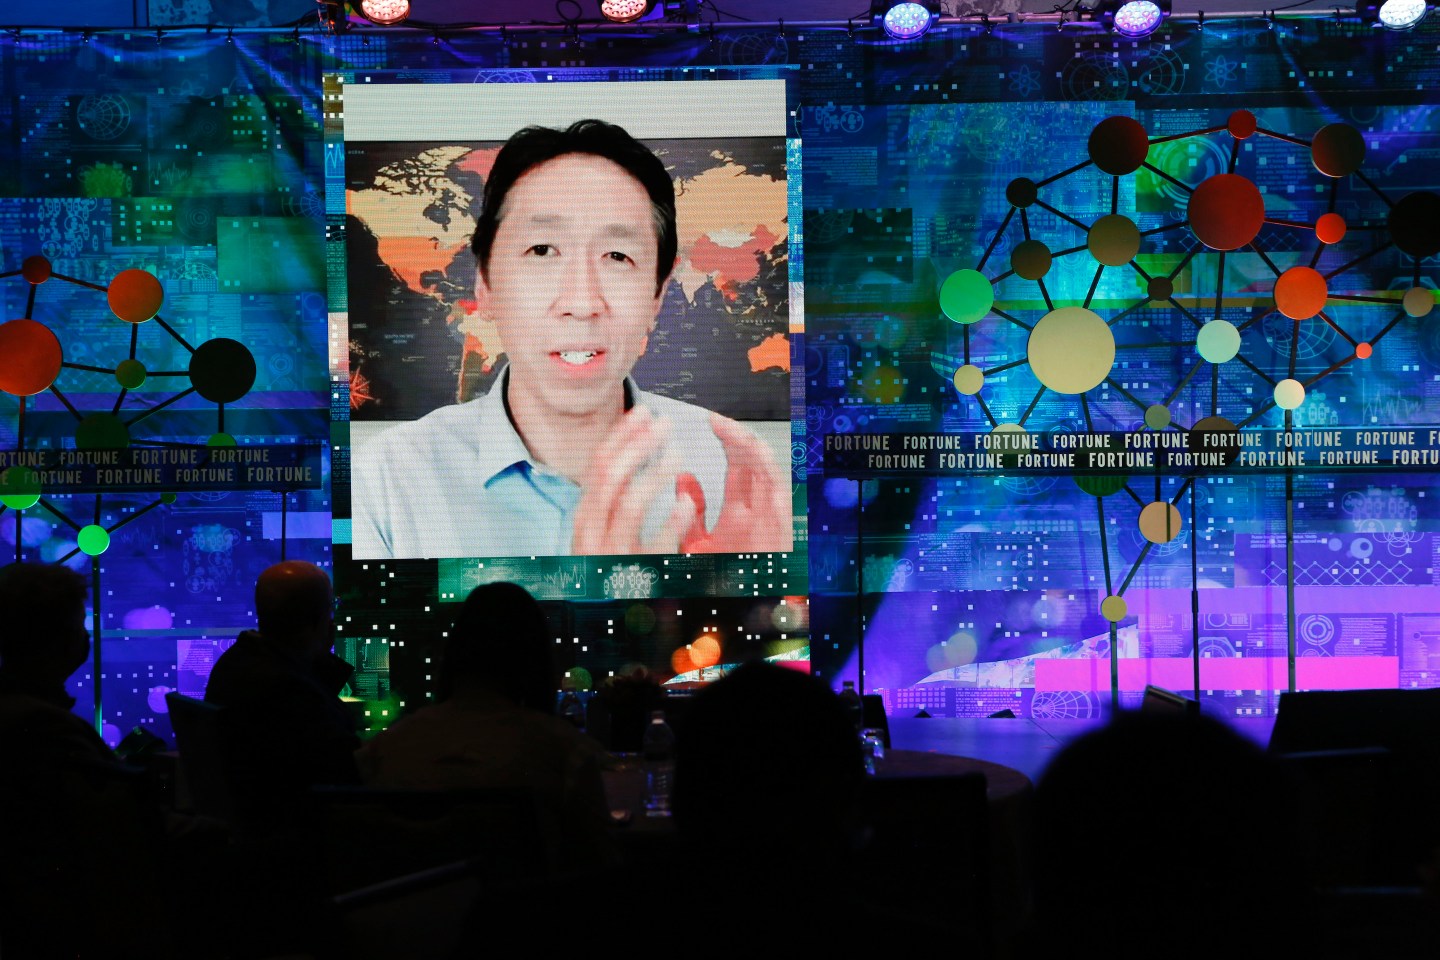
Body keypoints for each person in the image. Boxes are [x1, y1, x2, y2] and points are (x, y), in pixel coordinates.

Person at [352, 118, 790, 560]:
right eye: (542, 250)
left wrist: (736, 587)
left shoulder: (737, 482)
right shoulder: (385, 483)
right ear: (484, 285)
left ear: (657, 295)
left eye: (617, 255)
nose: (582, 302)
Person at [355, 582, 615, 872]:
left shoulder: (383, 750)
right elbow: (600, 866)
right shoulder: (568, 754)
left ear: (453, 653)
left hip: (411, 901)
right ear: (535, 658)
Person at [0, 562, 166, 958]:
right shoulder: (45, 726)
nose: (86, 636)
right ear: (56, 638)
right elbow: (118, 834)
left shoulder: (22, 712)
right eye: (79, 625)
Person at [204, 560, 359, 817]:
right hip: (299, 826)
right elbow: (345, 766)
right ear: (317, 620)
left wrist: (317, 656)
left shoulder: (235, 662)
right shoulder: (288, 689)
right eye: (331, 607)